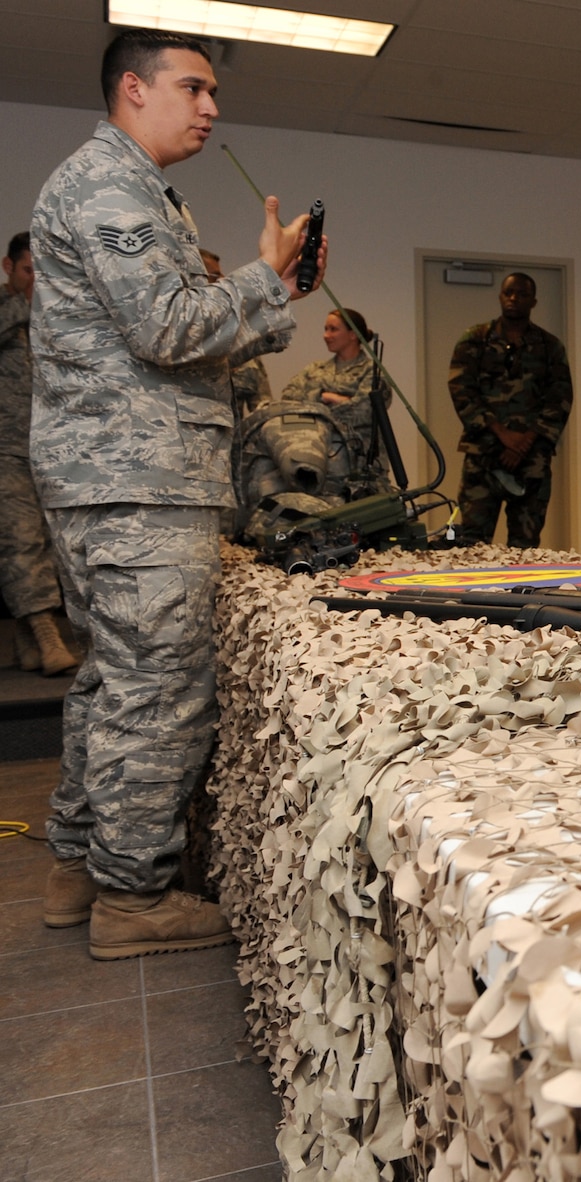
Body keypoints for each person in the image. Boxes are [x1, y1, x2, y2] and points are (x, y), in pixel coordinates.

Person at [32, 28, 317, 957]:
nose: (210, 107)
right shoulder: (109, 186)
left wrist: (269, 294)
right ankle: (133, 898)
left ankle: (79, 870)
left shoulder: (136, 190)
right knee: (159, 691)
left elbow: (177, 337)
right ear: (133, 88)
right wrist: (262, 278)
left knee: (114, 681)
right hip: (136, 483)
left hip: (120, 480)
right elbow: (166, 328)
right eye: (193, 88)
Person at [0, 233, 79, 676]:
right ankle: (49, 637)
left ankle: (26, 638)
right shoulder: (7, 309)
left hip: (52, 446)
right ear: (8, 267)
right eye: (30, 270)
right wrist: (24, 308)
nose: (36, 280)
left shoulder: (56, 317)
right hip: (5, 447)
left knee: (51, 542)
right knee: (20, 538)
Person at [446, 272, 572, 547]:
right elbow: (461, 389)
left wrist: (524, 442)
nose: (514, 299)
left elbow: (560, 398)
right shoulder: (475, 339)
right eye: (508, 293)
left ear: (533, 301)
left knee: (525, 546)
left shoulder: (550, 346)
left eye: (522, 294)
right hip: (484, 455)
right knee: (472, 544)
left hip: (531, 458)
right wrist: (502, 434)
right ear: (500, 296)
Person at [278, 307, 390, 496]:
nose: (326, 335)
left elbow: (365, 411)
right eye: (326, 329)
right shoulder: (315, 369)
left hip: (362, 468)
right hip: (322, 464)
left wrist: (316, 410)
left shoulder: (372, 372)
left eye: (333, 329)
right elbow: (288, 400)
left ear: (353, 334)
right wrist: (325, 397)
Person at [199, 248, 274, 422]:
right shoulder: (173, 341)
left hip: (231, 436)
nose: (223, 282)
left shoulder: (240, 343)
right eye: (215, 277)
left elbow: (263, 409)